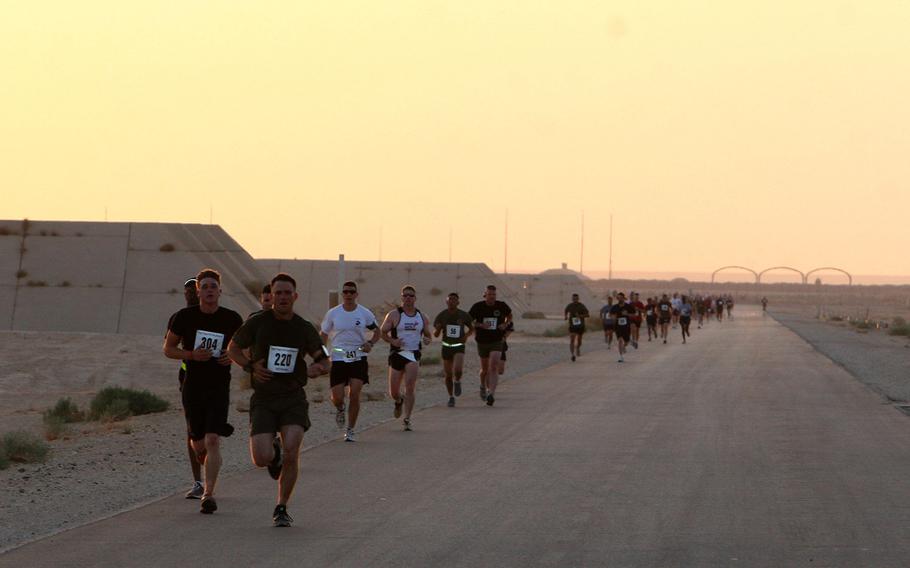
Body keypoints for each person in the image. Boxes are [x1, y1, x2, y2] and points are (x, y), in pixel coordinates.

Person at [227, 272, 330, 527]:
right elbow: (232, 348)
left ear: (295, 296)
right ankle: (274, 457)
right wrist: (250, 366)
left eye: (287, 293)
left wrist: (318, 368)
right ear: (271, 296)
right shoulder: (257, 323)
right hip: (264, 398)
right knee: (260, 458)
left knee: (292, 447)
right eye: (278, 293)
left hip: (293, 397)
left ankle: (281, 506)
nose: (283, 297)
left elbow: (323, 359)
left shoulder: (304, 328)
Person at [164, 268, 243, 515]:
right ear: (198, 291)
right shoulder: (184, 317)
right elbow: (168, 348)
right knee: (199, 444)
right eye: (205, 287)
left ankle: (208, 494)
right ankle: (206, 462)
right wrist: (191, 355)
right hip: (192, 384)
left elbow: (247, 350)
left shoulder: (232, 319)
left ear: (220, 290)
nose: (209, 291)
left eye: (213, 286)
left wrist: (232, 358)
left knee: (212, 439)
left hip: (219, 385)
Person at [320, 281, 379, 441]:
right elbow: (324, 334)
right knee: (337, 396)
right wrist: (322, 354)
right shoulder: (333, 313)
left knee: (355, 393)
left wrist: (370, 343)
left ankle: (350, 430)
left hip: (358, 356)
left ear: (356, 294)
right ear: (342, 294)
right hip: (338, 357)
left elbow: (377, 331)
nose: (348, 295)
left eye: (352, 292)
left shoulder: (364, 313)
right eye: (345, 292)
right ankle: (340, 408)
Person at [165, 278, 203, 499]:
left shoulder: (216, 316)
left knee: (210, 432)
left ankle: (209, 476)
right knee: (192, 429)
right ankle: (198, 481)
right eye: (186, 291)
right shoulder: (179, 318)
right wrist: (189, 354)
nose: (189, 295)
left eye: (193, 291)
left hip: (215, 377)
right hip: (188, 376)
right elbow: (169, 347)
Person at [381, 285, 432, 430]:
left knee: (410, 386)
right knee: (394, 392)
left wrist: (428, 340)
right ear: (402, 297)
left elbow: (428, 335)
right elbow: (383, 332)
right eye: (405, 295)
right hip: (397, 353)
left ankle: (407, 418)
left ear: (415, 298)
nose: (408, 298)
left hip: (413, 353)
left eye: (411, 296)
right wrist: (392, 341)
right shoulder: (394, 315)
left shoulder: (422, 317)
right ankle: (398, 401)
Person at [469, 285, 513, 406]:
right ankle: (482, 386)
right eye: (489, 294)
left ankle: (491, 393)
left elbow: (510, 316)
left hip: (497, 340)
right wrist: (479, 325)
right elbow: (469, 321)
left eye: (494, 294)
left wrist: (505, 324)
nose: (492, 297)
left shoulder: (501, 305)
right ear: (485, 295)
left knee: (493, 366)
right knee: (484, 369)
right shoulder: (477, 307)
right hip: (482, 341)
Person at [433, 293, 474, 407]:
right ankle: (451, 397)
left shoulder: (463, 315)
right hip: (446, 346)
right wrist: (438, 329)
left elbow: (472, 328)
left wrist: (466, 336)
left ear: (458, 302)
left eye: (454, 299)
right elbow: (435, 335)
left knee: (458, 370)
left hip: (459, 345)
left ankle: (458, 381)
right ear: (446, 301)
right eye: (450, 299)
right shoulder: (442, 315)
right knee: (448, 375)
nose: (452, 301)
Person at [609, 292, 634, 363]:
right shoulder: (615, 307)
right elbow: (611, 315)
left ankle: (629, 342)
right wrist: (613, 317)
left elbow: (634, 314)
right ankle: (621, 357)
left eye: (621, 298)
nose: (619, 299)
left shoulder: (628, 306)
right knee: (620, 340)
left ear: (623, 298)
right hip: (618, 326)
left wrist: (627, 314)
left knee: (626, 341)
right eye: (618, 298)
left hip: (626, 326)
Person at [564, 293, 590, 362]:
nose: (575, 300)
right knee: (572, 339)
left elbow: (587, 315)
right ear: (572, 299)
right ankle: (572, 355)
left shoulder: (581, 306)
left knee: (579, 340)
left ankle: (578, 347)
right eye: (573, 299)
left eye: (576, 299)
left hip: (580, 326)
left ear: (578, 299)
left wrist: (580, 316)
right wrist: (566, 316)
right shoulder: (570, 306)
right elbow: (566, 310)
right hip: (572, 326)